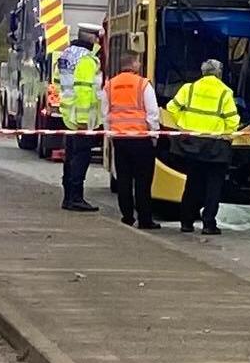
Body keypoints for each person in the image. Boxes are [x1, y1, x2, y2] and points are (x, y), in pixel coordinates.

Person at [164, 59, 240, 235]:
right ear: (219, 73)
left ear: (203, 72)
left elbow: (171, 108)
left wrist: (184, 124)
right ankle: (208, 224)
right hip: (216, 146)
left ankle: (186, 222)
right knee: (214, 187)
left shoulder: (188, 89)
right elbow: (233, 120)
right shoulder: (225, 92)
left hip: (192, 144)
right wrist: (225, 133)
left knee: (192, 184)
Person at [103, 52, 160, 230]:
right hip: (141, 139)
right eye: (138, 61)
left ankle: (127, 216)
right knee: (143, 182)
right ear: (134, 64)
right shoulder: (143, 85)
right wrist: (154, 134)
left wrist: (110, 134)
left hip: (120, 139)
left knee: (124, 179)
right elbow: (152, 113)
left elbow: (105, 113)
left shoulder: (110, 85)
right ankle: (145, 219)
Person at [56, 27, 103, 212]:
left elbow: (60, 84)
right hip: (80, 116)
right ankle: (76, 197)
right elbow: (84, 89)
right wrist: (84, 119)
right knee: (81, 157)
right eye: (97, 38)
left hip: (68, 113)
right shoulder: (86, 60)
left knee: (70, 156)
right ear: (91, 39)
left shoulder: (66, 55)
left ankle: (68, 197)